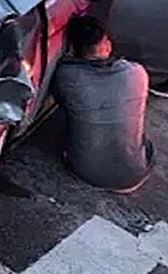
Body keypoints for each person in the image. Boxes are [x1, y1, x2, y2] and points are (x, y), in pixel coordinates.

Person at [50, 15, 154, 193]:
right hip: (137, 172)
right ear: (107, 44)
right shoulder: (137, 72)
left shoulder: (66, 76)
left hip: (88, 172)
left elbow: (60, 100)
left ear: (73, 48)